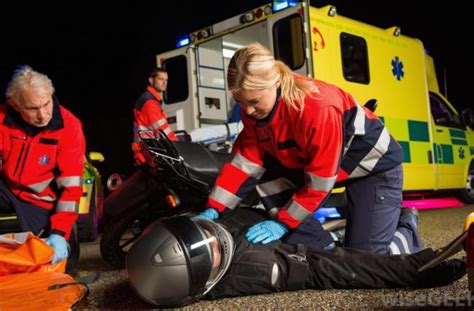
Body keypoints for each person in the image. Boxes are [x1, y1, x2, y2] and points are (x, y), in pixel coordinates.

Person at [196, 42, 422, 254]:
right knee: (269, 177)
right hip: (330, 168)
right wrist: (214, 209)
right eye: (240, 102)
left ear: (275, 82)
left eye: (254, 102)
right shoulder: (255, 115)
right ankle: (325, 245)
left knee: (367, 260)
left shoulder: (317, 107)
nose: (248, 111)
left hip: (373, 167)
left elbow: (320, 182)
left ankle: (406, 225)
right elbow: (244, 163)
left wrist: (283, 224)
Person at [126, 208, 466, 307]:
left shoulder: (207, 249)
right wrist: (424, 270)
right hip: (306, 243)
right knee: (382, 254)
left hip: (284, 223)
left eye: (200, 232)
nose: (213, 237)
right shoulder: (257, 270)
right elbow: (336, 269)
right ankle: (407, 221)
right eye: (209, 249)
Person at [0, 65, 86, 263]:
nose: (43, 115)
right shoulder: (3, 118)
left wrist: (59, 232)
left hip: (39, 199)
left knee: (57, 259)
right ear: (15, 104)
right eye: (32, 108)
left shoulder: (70, 126)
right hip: (6, 188)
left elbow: (71, 188)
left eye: (46, 104)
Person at [132, 68, 177, 165]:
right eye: (161, 79)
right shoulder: (149, 103)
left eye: (166, 80)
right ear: (151, 80)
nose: (164, 82)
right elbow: (162, 131)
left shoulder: (152, 100)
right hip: (149, 152)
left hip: (149, 150)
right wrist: (178, 145)